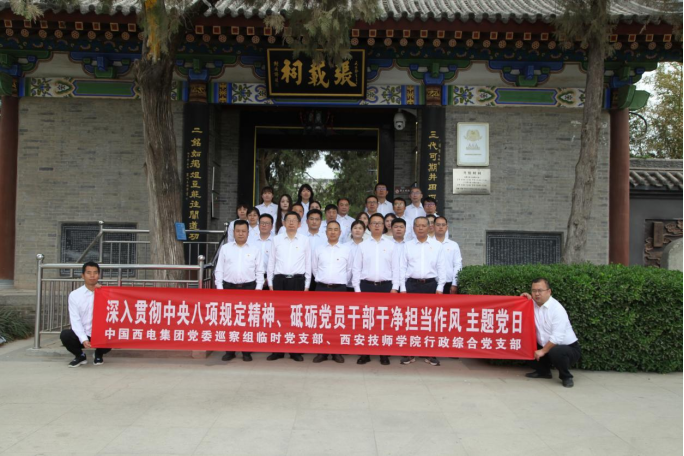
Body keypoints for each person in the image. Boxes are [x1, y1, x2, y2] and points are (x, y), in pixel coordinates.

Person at [352, 213, 401, 366]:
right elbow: (356, 269)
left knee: (384, 322)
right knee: (366, 321)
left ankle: (384, 353)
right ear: (369, 226)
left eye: (380, 223)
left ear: (384, 225)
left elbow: (396, 269)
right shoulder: (362, 246)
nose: (377, 225)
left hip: (386, 287)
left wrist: (395, 288)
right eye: (374, 223)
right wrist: (357, 290)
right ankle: (365, 354)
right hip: (366, 286)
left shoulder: (391, 245)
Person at [398, 217, 446, 367]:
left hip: (430, 286)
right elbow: (402, 267)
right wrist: (403, 288)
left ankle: (430, 353)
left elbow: (441, 267)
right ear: (413, 228)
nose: (420, 228)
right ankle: (409, 353)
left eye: (423, 226)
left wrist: (440, 288)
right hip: (411, 285)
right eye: (417, 226)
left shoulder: (437, 246)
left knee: (430, 320)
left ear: (429, 227)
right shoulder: (407, 246)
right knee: (410, 320)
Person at [215, 220, 264, 362]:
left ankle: (246, 351)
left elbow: (259, 271)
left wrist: (258, 289)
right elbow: (219, 270)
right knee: (229, 320)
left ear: (248, 233)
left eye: (243, 231)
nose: (241, 234)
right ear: (233, 232)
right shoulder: (225, 248)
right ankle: (230, 351)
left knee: (247, 321)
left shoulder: (254, 249)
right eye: (238, 231)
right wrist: (220, 289)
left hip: (248, 288)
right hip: (229, 288)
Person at [267, 211, 311, 362]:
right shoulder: (276, 240)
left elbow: (308, 263)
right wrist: (270, 283)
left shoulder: (305, 240)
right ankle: (277, 351)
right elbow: (271, 262)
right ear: (284, 223)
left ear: (299, 224)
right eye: (288, 220)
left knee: (296, 317)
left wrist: (307, 285)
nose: (291, 222)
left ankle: (294, 350)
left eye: (294, 220)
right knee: (278, 316)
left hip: (297, 281)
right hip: (279, 280)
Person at [520, 279, 581, 388]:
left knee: (556, 351)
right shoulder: (532, 304)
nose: (537, 294)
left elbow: (557, 338)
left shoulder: (557, 309)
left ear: (549, 291)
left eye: (540, 290)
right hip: (544, 345)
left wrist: (543, 351)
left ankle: (566, 377)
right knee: (522, 344)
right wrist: (524, 299)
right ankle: (543, 372)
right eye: (534, 291)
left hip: (567, 348)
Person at [311, 221, 352, 364]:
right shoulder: (319, 249)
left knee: (338, 321)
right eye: (330, 229)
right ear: (326, 232)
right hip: (322, 288)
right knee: (322, 321)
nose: (333, 232)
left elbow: (349, 270)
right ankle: (322, 352)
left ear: (340, 232)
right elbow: (314, 269)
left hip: (339, 289)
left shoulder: (346, 250)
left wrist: (339, 281)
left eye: (335, 230)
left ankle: (336, 352)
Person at [60, 261, 111, 367]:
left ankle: (99, 354)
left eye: (95, 273)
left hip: (100, 333)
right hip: (82, 332)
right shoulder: (75, 295)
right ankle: (80, 356)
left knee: (112, 335)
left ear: (99, 275)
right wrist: (83, 338)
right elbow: (75, 319)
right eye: (89, 273)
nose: (92, 276)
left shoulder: (106, 293)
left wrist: (103, 292)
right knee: (65, 335)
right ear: (83, 275)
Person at [434, 216, 462, 294]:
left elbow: (457, 265)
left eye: (443, 225)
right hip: (432, 283)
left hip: (448, 283)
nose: (441, 227)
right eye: (438, 225)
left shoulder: (453, 245)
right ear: (433, 226)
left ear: (446, 227)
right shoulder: (428, 244)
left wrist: (455, 284)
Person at [305, 209, 326, 291]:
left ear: (321, 222)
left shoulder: (326, 238)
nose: (314, 222)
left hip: (320, 273)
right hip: (304, 273)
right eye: (311, 219)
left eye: (317, 219)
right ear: (307, 221)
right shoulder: (301, 237)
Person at [254, 213, 275, 289]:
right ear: (258, 225)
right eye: (262, 223)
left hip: (271, 277)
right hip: (254, 277)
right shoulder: (251, 241)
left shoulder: (276, 242)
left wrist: (270, 278)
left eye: (267, 223)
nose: (264, 225)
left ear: (272, 226)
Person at [346, 220, 366, 291]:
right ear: (351, 230)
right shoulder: (345, 247)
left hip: (363, 283)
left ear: (364, 231)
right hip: (347, 283)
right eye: (355, 228)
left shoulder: (367, 246)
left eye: (360, 228)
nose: (357, 230)